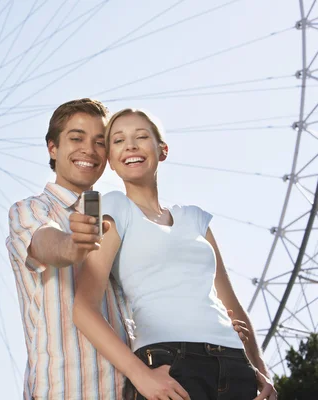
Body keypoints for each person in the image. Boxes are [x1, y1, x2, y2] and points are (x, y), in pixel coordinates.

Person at [6, 99, 250, 400]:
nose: (89, 149)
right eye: (76, 138)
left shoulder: (123, 215)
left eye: (100, 142)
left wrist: (214, 334)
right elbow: (46, 244)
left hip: (138, 386)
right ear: (52, 148)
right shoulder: (31, 210)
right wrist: (72, 245)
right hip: (66, 389)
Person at [72, 108, 277, 400]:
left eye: (141, 136)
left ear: (162, 150)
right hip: (169, 364)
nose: (130, 145)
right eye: (118, 140)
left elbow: (230, 302)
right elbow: (83, 308)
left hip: (234, 366)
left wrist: (259, 368)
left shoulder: (195, 218)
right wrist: (140, 375)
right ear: (111, 164)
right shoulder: (113, 206)